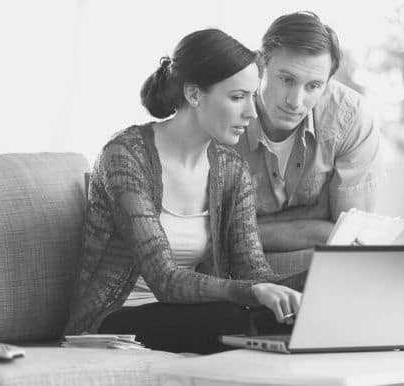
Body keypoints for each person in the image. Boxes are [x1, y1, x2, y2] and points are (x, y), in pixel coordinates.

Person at [63, 28, 305, 354]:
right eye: (237, 97)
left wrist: (317, 280)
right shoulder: (125, 155)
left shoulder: (231, 169)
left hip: (189, 312)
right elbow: (164, 280)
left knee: (289, 317)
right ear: (194, 95)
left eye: (252, 96)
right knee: (233, 320)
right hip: (112, 320)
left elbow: (254, 272)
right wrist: (253, 292)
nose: (251, 112)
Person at [233, 11, 384, 253]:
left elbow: (349, 237)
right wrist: (320, 229)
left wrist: (244, 232)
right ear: (260, 65)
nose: (295, 101)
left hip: (320, 274)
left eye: (313, 86)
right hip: (232, 276)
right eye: (286, 79)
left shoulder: (351, 117)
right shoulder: (223, 109)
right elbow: (207, 235)